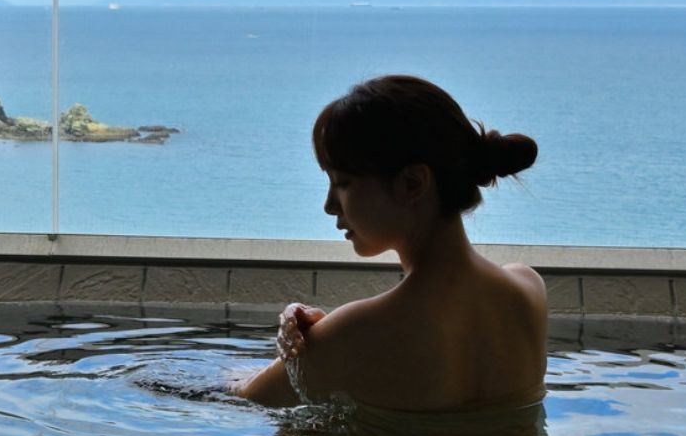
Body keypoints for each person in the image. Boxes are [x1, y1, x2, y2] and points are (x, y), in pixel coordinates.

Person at [230, 75, 547, 413]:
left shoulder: (358, 332)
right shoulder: (528, 291)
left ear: (412, 183)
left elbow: (239, 401)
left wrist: (304, 350)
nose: (329, 205)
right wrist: (325, 342)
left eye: (343, 183)